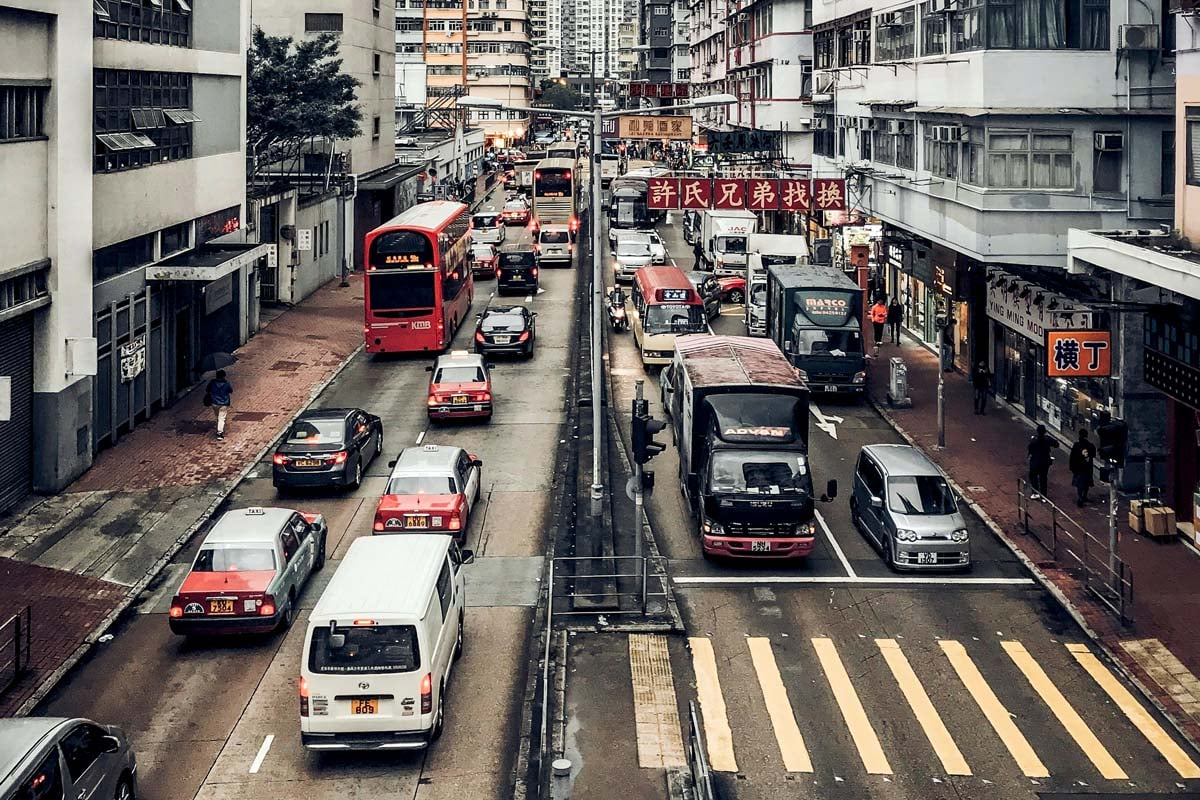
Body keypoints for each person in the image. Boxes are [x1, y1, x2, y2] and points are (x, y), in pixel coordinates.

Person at [1026, 424, 1058, 500]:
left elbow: (1029, 449)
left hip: (1035, 461)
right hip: (1044, 462)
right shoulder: (1047, 439)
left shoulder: (1034, 440)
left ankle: (1035, 492)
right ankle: (1043, 496)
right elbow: (1056, 444)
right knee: (1043, 478)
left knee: (1033, 476)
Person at [1069, 428, 1097, 507]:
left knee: (1079, 483)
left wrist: (1072, 467)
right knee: (1086, 483)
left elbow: (1072, 457)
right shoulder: (1090, 446)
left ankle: (1080, 497)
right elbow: (1093, 454)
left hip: (1078, 468)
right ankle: (1084, 496)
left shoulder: (1076, 445)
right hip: (1087, 468)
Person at [206, 369, 233, 440]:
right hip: (224, 403)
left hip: (214, 403)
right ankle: (220, 432)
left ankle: (219, 427)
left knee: (217, 416)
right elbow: (230, 390)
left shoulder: (212, 382)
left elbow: (207, 389)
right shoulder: (226, 383)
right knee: (222, 418)